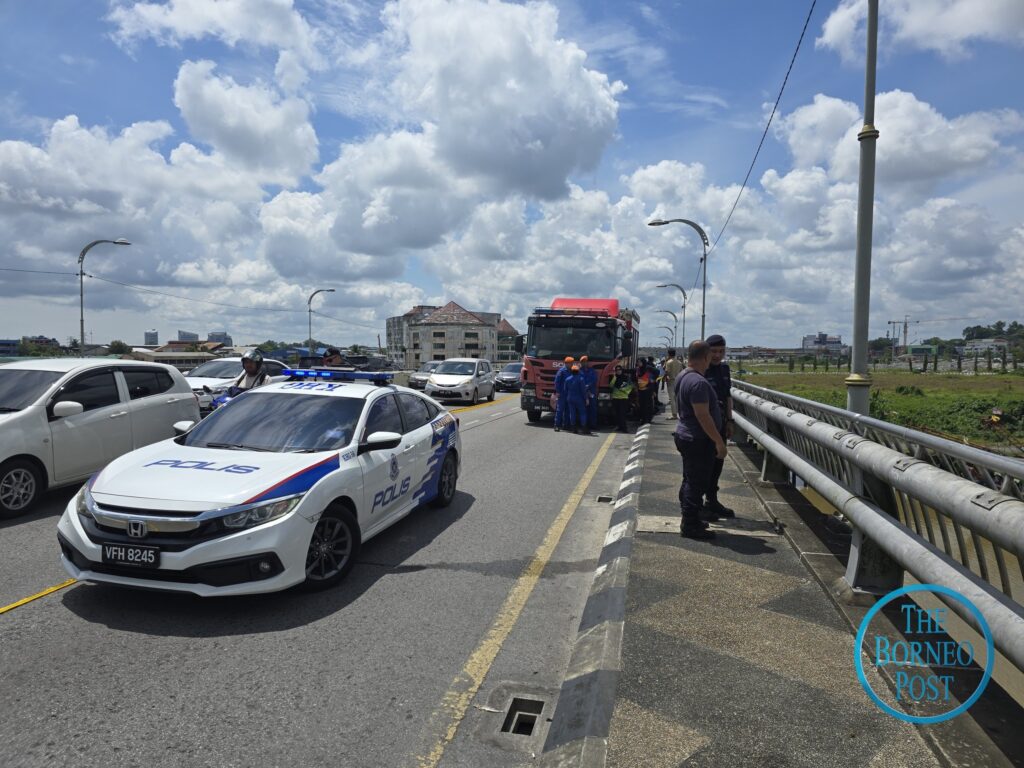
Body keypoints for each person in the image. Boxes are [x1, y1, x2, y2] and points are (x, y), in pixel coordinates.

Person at [673, 340, 726, 540]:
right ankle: (690, 524)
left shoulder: (683, 376)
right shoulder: (698, 382)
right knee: (697, 483)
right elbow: (703, 415)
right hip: (697, 439)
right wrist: (719, 441)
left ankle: (690, 516)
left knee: (690, 480)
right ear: (705, 357)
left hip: (686, 435)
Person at [703, 334, 736, 519]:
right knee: (703, 466)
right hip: (705, 426)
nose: (718, 355)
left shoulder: (724, 369)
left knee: (717, 464)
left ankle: (712, 501)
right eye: (714, 351)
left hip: (722, 423)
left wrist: (730, 421)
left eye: (721, 351)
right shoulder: (701, 370)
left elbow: (728, 396)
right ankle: (697, 505)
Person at [564, 364, 591, 435]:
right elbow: (583, 391)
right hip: (579, 399)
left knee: (572, 413)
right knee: (582, 413)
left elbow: (565, 390)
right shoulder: (581, 379)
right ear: (578, 371)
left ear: (571, 371)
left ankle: (573, 428)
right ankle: (584, 428)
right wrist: (586, 399)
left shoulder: (567, 379)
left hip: (570, 398)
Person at [609, 364, 633, 432]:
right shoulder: (614, 377)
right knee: (616, 414)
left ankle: (624, 428)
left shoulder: (626, 377)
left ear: (622, 370)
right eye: (617, 370)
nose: (618, 371)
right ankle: (619, 426)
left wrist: (623, 389)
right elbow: (611, 386)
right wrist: (614, 378)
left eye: (619, 370)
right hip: (615, 398)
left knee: (622, 414)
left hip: (623, 398)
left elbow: (631, 386)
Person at [553, 356, 574, 432]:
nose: (572, 364)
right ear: (567, 363)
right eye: (571, 363)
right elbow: (556, 382)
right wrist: (558, 392)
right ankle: (557, 425)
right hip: (562, 394)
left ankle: (566, 425)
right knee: (560, 410)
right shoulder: (561, 371)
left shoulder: (572, 370)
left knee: (568, 410)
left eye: (572, 363)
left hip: (569, 394)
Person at [663, 349, 685, 420]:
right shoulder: (679, 362)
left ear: (668, 354)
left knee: (672, 399)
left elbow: (666, 371)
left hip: (671, 381)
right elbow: (682, 371)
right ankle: (680, 413)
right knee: (677, 398)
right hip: (679, 381)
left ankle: (674, 415)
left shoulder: (668, 362)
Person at [580, 355, 599, 431]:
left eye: (585, 361)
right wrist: (584, 386)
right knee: (584, 409)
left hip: (591, 392)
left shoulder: (592, 371)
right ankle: (585, 425)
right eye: (582, 362)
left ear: (587, 362)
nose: (584, 363)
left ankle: (593, 425)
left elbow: (594, 379)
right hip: (583, 392)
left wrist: (588, 385)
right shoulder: (579, 371)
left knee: (593, 409)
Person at [635, 358, 655, 424]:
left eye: (639, 362)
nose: (638, 363)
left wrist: (649, 388)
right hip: (640, 390)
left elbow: (652, 381)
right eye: (638, 362)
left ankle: (647, 419)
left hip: (647, 391)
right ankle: (642, 419)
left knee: (647, 406)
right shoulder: (638, 370)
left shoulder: (647, 370)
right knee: (641, 405)